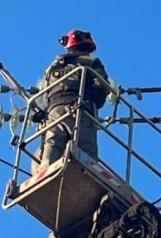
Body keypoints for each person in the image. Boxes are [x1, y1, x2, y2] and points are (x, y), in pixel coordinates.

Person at [34, 29, 110, 173]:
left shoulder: (53, 66)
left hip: (54, 111)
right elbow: (101, 85)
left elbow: (46, 95)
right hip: (81, 107)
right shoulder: (92, 62)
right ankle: (87, 173)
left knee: (53, 141)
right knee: (85, 144)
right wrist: (96, 101)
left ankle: (46, 172)